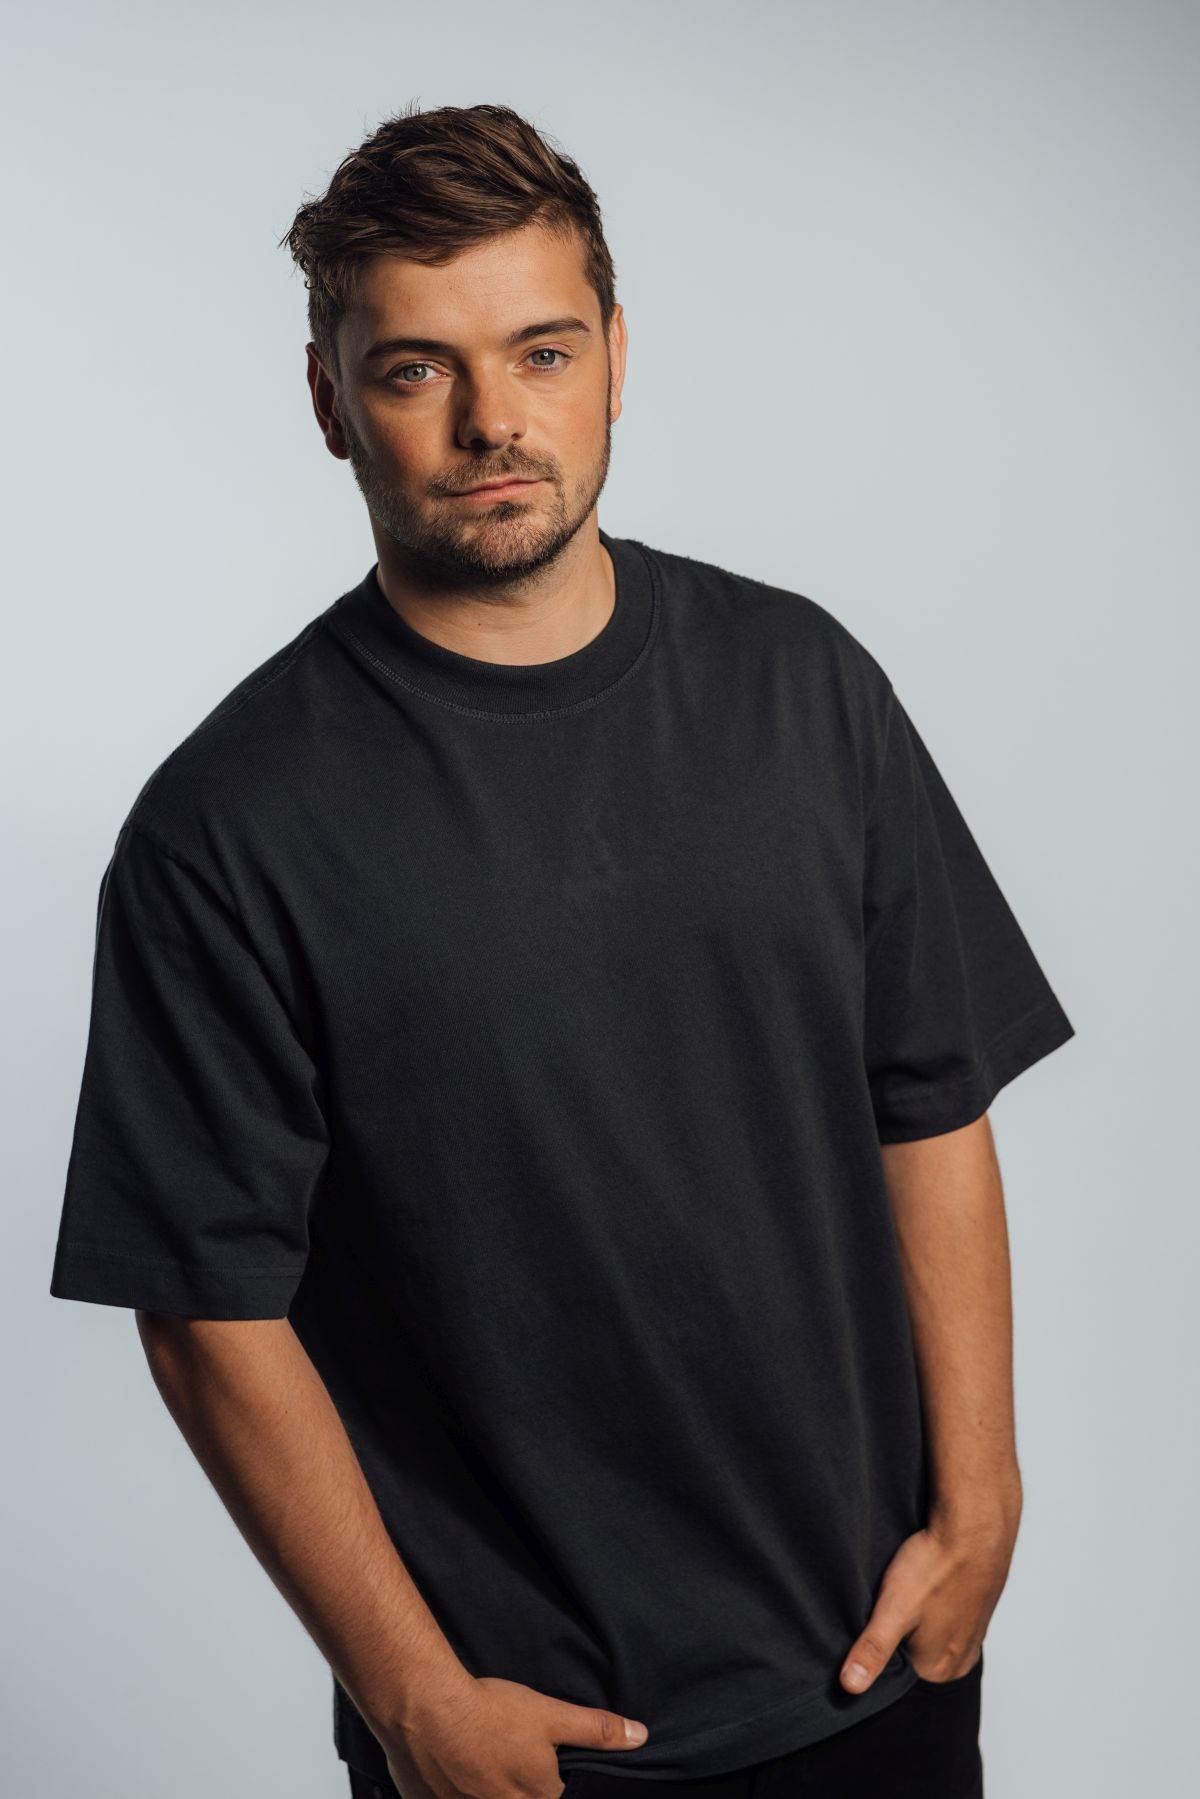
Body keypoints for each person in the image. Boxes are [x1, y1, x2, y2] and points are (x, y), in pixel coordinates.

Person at [49, 102, 1074, 1799]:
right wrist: (412, 1699)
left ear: (615, 357)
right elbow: (206, 1311)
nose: (492, 421)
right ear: (329, 401)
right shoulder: (224, 827)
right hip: (519, 1743)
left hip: (877, 1671)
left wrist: (983, 1506)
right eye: (415, 370)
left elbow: (933, 1101)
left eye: (541, 351)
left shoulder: (804, 686)